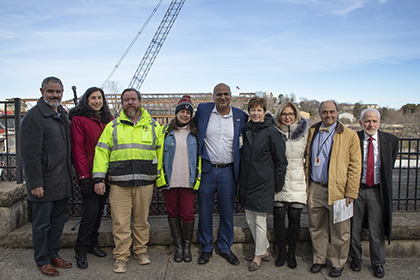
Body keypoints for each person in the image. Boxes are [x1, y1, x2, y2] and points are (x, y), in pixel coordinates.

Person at [92, 88, 162, 273]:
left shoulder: (154, 126)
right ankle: (121, 257)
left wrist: (159, 177)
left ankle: (140, 251)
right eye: (126, 100)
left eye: (133, 99)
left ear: (140, 101)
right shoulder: (112, 127)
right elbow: (101, 152)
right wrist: (98, 178)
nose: (129, 103)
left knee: (141, 221)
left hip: (145, 183)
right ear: (122, 103)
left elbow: (161, 153)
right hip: (118, 184)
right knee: (120, 223)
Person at [20, 76, 73, 277]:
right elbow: (29, 154)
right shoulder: (34, 117)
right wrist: (35, 183)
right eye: (50, 91)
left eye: (58, 92)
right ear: (42, 91)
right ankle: (42, 260)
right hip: (43, 183)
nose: (55, 95)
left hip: (61, 181)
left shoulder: (61, 114)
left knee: (58, 222)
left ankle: (53, 255)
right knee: (41, 225)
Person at [305, 100, 361, 278]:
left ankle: (337, 263)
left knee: (341, 230)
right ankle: (319, 259)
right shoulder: (312, 131)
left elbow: (355, 166)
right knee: (317, 227)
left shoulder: (350, 135)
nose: (328, 115)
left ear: (337, 112)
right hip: (315, 188)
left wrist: (351, 192)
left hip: (339, 191)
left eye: (332, 112)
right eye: (324, 112)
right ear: (319, 113)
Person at [194, 83, 248, 265]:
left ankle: (225, 246)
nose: (222, 97)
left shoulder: (241, 116)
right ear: (213, 96)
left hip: (228, 171)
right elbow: (189, 127)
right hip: (208, 170)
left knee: (227, 212)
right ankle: (206, 247)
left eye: (226, 94)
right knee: (205, 211)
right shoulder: (203, 110)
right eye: (219, 94)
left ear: (231, 96)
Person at [239, 97, 287, 271]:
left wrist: (277, 185)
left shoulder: (271, 132)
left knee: (260, 220)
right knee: (249, 219)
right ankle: (265, 249)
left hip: (263, 183)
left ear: (265, 112)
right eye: (253, 110)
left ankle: (258, 255)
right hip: (247, 181)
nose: (255, 113)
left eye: (259, 110)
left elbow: (281, 161)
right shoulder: (246, 129)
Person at [349, 108, 399, 278]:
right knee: (353, 227)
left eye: (374, 121)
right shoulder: (353, 138)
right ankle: (355, 259)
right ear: (360, 122)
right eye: (367, 121)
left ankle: (378, 263)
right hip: (357, 190)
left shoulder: (391, 140)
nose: (371, 124)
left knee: (376, 229)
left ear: (379, 123)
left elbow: (388, 165)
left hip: (377, 191)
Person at [69, 87, 113, 269]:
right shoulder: (79, 120)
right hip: (89, 174)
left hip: (106, 175)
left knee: (98, 211)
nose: (97, 101)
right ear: (86, 100)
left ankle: (92, 244)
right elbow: (78, 150)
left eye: (99, 98)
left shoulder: (108, 120)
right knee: (90, 212)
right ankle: (80, 249)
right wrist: (85, 177)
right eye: (93, 98)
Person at [156, 95, 201, 263]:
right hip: (170, 180)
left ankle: (187, 245)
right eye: (182, 111)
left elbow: (199, 158)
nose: (185, 115)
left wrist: (199, 177)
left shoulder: (195, 133)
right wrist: (158, 177)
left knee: (188, 214)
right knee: (173, 213)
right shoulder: (165, 131)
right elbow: (158, 154)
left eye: (188, 112)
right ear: (176, 113)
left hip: (188, 180)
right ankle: (179, 246)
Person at [273, 101, 309, 269]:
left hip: (297, 181)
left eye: (290, 114)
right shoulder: (273, 132)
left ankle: (292, 251)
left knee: (295, 219)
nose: (287, 117)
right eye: (284, 114)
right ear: (279, 116)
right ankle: (281, 251)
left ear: (296, 116)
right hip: (278, 182)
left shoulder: (305, 133)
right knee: (279, 220)